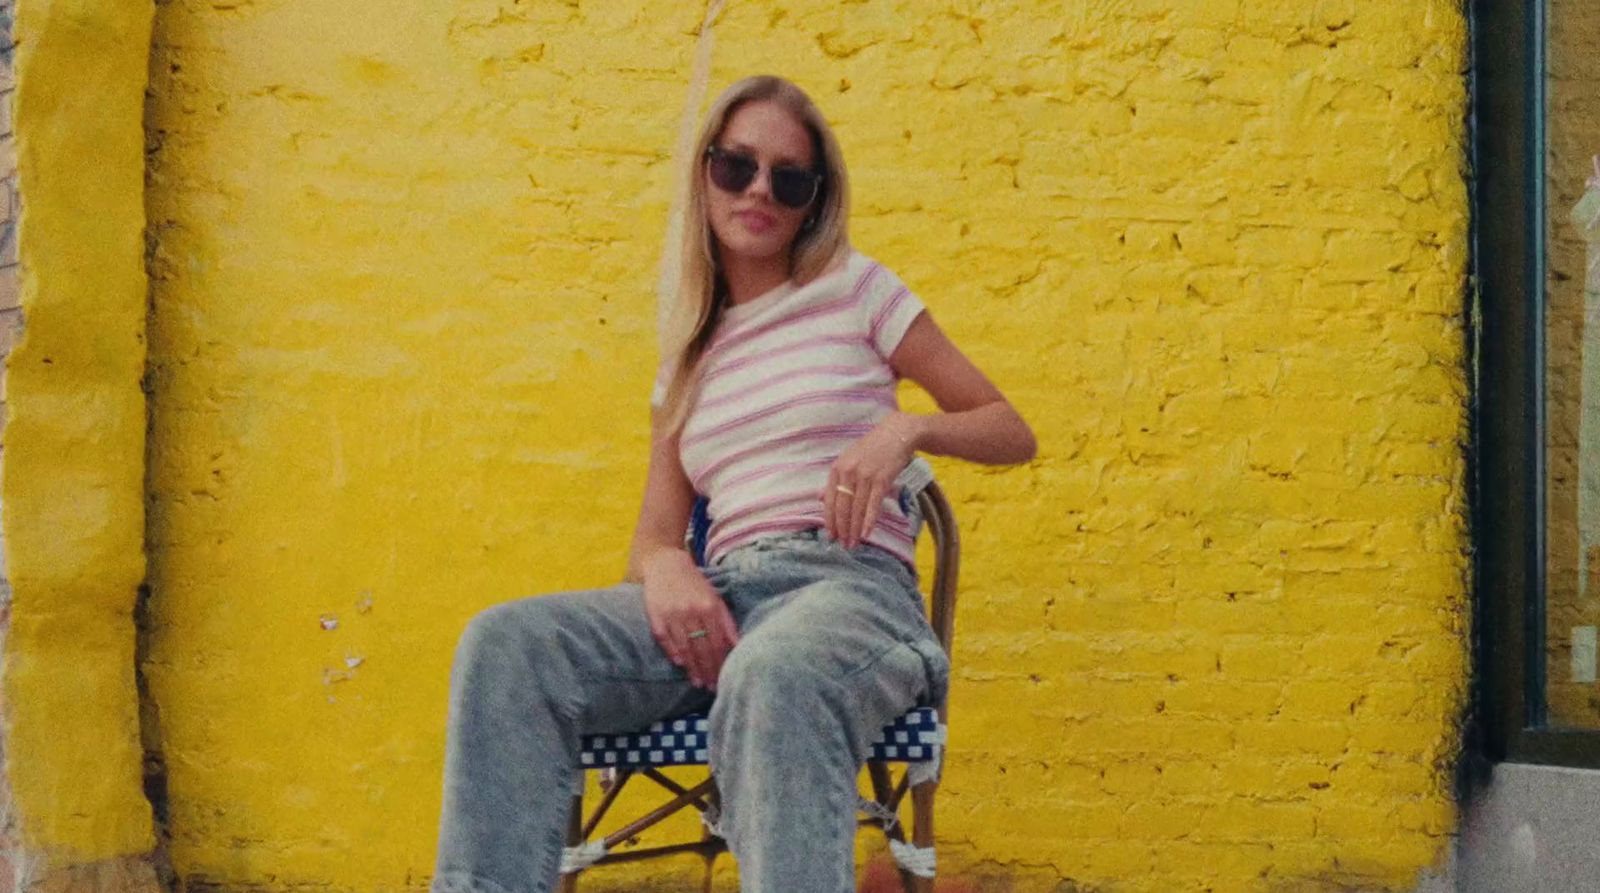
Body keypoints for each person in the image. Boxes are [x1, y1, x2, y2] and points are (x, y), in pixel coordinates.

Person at [431, 74, 1036, 893]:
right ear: (705, 173)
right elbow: (652, 538)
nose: (760, 191)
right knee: (507, 647)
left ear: (814, 199)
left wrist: (906, 429)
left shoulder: (856, 290)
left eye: (790, 178)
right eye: (737, 167)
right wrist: (671, 566)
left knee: (775, 671)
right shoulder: (689, 354)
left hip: (848, 594)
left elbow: (1009, 429)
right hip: (724, 603)